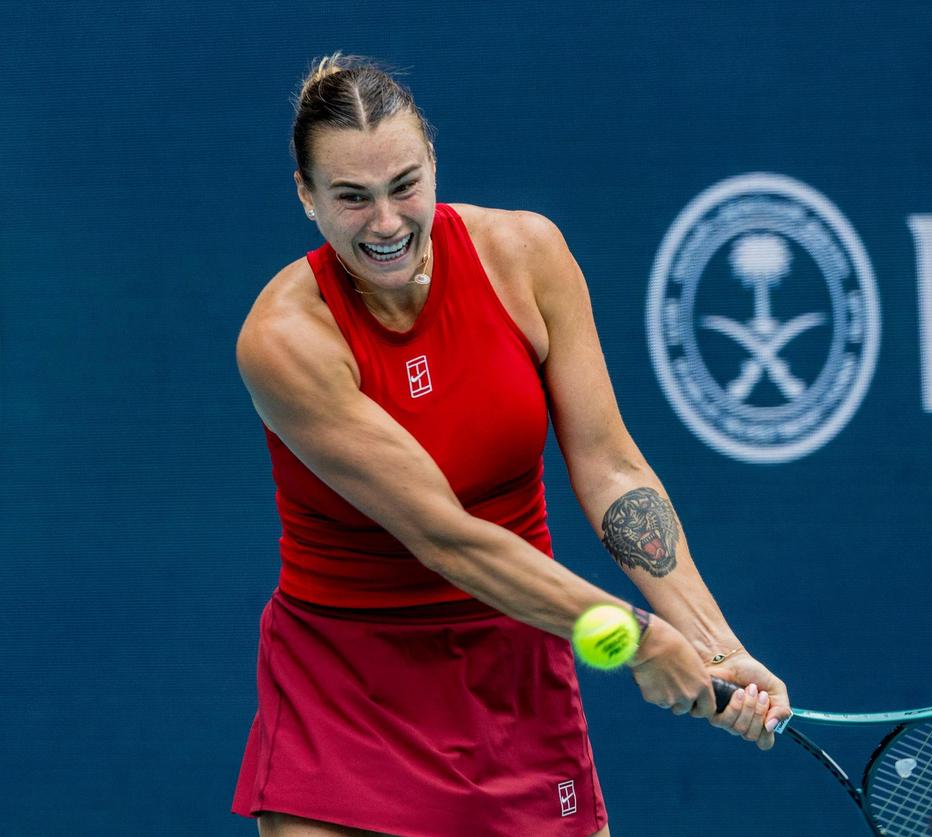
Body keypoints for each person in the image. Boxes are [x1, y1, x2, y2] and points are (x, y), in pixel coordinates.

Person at [232, 53, 791, 837]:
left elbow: (611, 467)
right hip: (348, 696)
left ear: (433, 162)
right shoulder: (285, 338)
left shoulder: (526, 256)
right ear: (307, 195)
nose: (386, 223)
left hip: (517, 671)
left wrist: (713, 644)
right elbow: (445, 538)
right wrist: (632, 637)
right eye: (352, 197)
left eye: (404, 185)